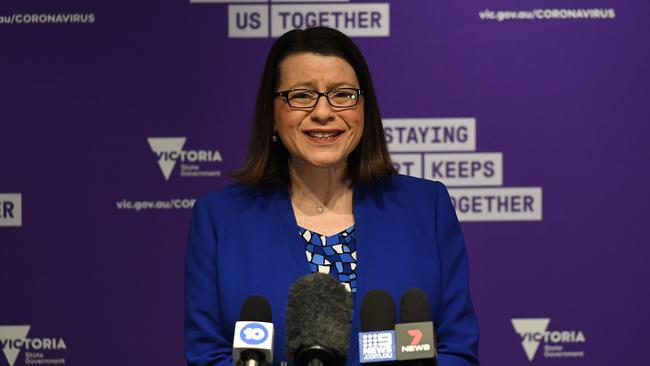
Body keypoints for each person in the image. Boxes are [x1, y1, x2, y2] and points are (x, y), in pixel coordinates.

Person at [185, 27, 479, 366]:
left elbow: (457, 349)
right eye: (301, 95)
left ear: (364, 109)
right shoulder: (220, 219)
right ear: (272, 116)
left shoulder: (427, 207)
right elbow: (208, 355)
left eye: (342, 94)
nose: (323, 112)